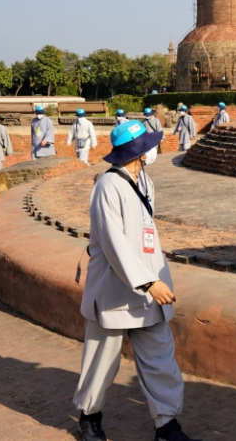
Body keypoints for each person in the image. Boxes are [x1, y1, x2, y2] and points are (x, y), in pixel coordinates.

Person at [73, 120, 199, 441]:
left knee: (160, 361)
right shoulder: (107, 187)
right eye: (149, 145)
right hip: (115, 290)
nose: (154, 149)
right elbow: (114, 243)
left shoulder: (144, 182)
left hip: (147, 291)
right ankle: (89, 416)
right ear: (138, 152)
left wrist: (153, 279)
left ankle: (166, 424)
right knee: (101, 362)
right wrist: (147, 282)